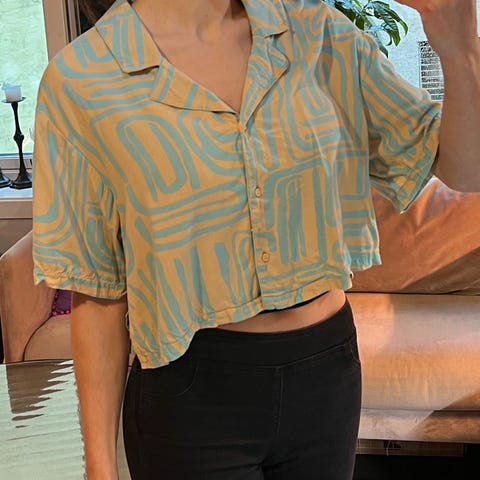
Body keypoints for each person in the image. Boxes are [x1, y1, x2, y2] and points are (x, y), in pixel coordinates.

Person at [32, 0, 479, 479]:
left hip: (327, 374)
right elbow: (97, 289)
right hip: (190, 395)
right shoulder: (83, 78)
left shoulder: (320, 34)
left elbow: (465, 170)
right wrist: (99, 468)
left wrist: (459, 48)